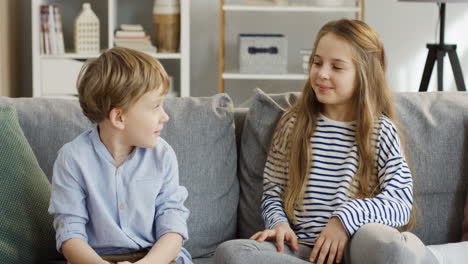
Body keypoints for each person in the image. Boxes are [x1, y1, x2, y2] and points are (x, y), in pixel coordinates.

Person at [213, 19, 438, 264]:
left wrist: (343, 219)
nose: (322, 73)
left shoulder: (380, 130)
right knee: (231, 253)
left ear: (365, 75)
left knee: (393, 247)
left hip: (357, 247)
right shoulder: (293, 124)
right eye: (317, 62)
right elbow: (273, 192)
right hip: (302, 249)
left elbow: (400, 203)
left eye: (337, 67)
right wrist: (278, 224)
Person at [48, 47, 192, 264]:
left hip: (154, 258)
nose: (165, 116)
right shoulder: (72, 159)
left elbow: (173, 227)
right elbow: (70, 235)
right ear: (119, 118)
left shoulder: (163, 156)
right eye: (155, 107)